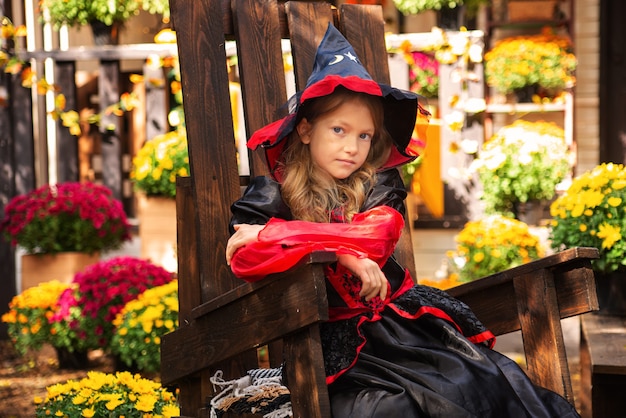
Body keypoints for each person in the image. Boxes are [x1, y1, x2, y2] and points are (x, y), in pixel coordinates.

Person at [225, 24, 580, 418]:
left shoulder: (377, 183)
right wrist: (341, 252)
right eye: (338, 130)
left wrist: (306, 241)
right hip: (326, 347)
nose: (351, 147)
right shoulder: (271, 194)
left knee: (477, 386)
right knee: (391, 409)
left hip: (403, 331)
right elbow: (245, 257)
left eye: (364, 136)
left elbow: (375, 239)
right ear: (306, 129)